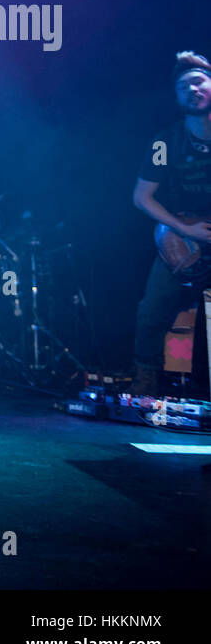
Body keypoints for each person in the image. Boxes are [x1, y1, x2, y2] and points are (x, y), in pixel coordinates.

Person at [131, 51, 211, 397]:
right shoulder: (165, 143)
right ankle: (146, 378)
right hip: (185, 240)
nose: (192, 89)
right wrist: (184, 230)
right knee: (152, 308)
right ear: (177, 97)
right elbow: (142, 196)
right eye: (184, 86)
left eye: (199, 81)